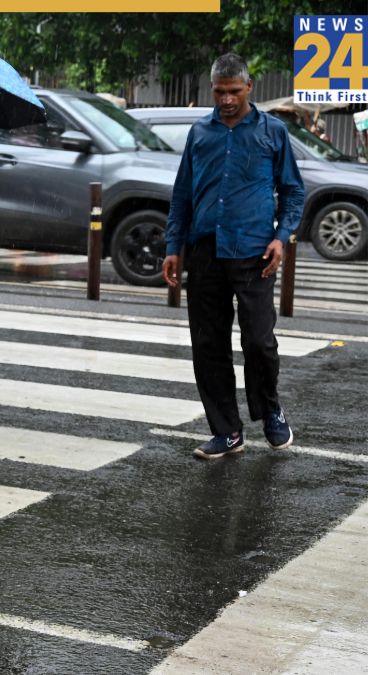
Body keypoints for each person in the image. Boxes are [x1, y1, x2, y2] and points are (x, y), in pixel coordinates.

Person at [163, 53, 305, 460]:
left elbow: (293, 191)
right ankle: (226, 431)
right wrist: (174, 247)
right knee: (208, 345)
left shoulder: (272, 132)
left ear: (249, 88)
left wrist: (282, 238)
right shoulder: (200, 132)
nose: (225, 99)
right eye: (219, 92)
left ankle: (270, 409)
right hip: (206, 251)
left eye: (233, 91)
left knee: (260, 341)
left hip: (254, 251)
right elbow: (183, 195)